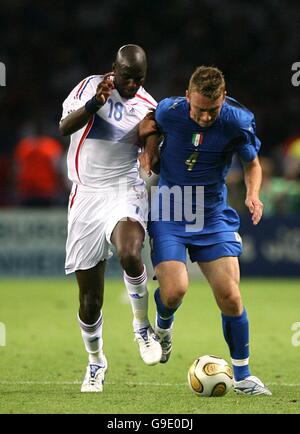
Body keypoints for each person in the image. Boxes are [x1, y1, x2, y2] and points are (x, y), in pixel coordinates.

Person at [140, 66, 272, 396]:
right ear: (188, 98)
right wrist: (150, 149)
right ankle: (163, 328)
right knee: (175, 292)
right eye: (199, 109)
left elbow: (252, 162)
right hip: (170, 209)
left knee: (230, 295)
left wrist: (253, 193)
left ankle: (242, 376)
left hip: (211, 214)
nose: (204, 117)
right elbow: (148, 122)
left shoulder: (236, 121)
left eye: (212, 110)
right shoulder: (170, 110)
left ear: (223, 99)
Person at [59, 44, 162, 393]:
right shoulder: (89, 87)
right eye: (127, 77)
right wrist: (94, 106)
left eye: (139, 79)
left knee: (130, 252)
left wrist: (152, 150)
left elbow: (152, 154)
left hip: (124, 189)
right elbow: (63, 126)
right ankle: (96, 361)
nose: (132, 84)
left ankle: (141, 327)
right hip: (86, 195)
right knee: (90, 301)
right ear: (114, 70)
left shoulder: (149, 106)